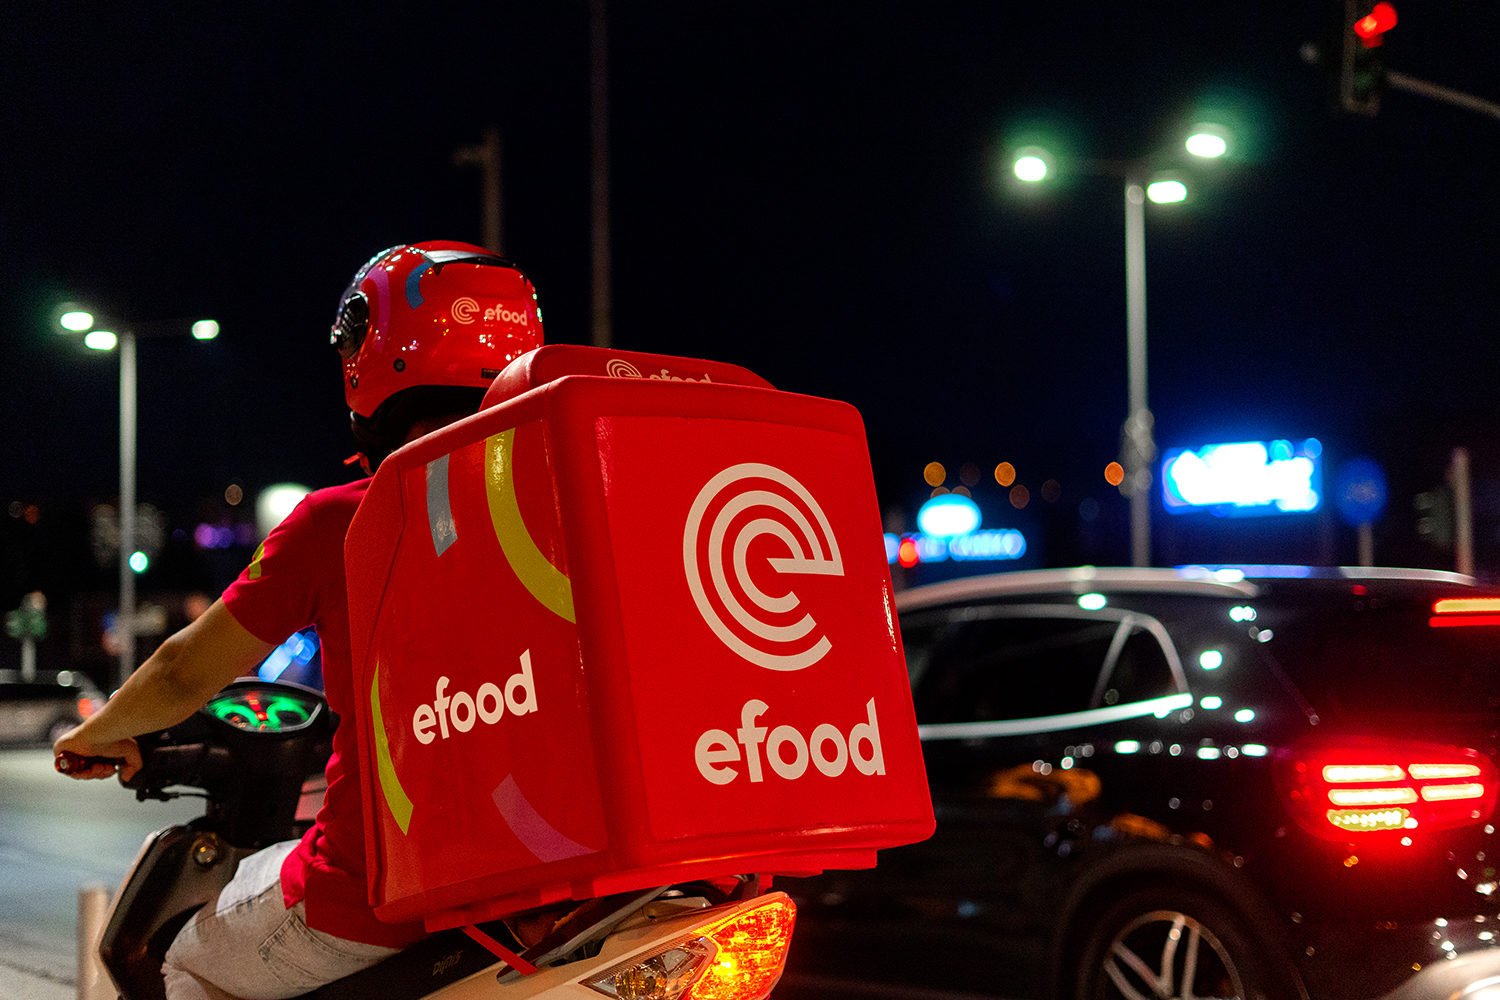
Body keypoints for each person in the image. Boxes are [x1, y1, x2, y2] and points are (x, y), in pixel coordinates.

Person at [54, 241, 545, 1000]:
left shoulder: (342, 522)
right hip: (558, 882)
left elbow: (183, 672)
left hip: (382, 896)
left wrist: (98, 732)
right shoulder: (573, 504)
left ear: (370, 355)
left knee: (179, 956)